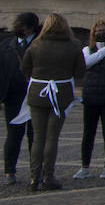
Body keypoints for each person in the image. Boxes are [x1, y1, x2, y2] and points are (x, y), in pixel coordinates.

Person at [20, 13, 85, 191]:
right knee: (52, 137)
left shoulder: (35, 45)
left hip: (37, 93)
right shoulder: (74, 46)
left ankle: (34, 178)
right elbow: (80, 72)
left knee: (38, 137)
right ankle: (48, 176)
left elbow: (25, 68)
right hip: (61, 95)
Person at [74, 20, 105, 180]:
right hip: (91, 96)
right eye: (98, 30)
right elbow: (86, 63)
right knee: (88, 132)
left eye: (104, 30)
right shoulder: (87, 50)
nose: (101, 33)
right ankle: (85, 166)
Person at [3, 11, 40, 185]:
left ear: (31, 27)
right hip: (13, 96)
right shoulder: (6, 45)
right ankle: (10, 171)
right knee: (13, 135)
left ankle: (35, 172)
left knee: (35, 136)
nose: (17, 28)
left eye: (21, 25)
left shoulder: (41, 43)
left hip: (36, 95)